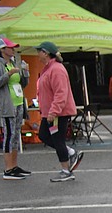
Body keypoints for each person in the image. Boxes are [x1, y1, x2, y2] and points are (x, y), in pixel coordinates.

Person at [34, 41, 84, 182]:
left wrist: (53, 111)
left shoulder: (56, 69)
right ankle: (71, 153)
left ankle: (65, 170)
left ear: (46, 53)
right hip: (50, 112)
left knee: (58, 139)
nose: (37, 53)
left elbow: (61, 93)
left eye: (39, 51)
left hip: (57, 113)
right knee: (44, 135)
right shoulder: (48, 69)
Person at [0, 37, 30, 179]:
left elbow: (22, 84)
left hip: (17, 103)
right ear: (2, 49)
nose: (13, 50)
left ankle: (14, 165)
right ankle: (8, 168)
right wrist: (8, 74)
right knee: (9, 135)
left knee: (16, 135)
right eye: (10, 48)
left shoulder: (12, 62)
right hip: (7, 105)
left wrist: (25, 73)